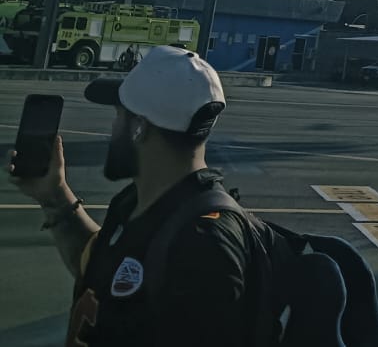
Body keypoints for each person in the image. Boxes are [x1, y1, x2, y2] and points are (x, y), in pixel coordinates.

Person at [7, 45, 253, 345]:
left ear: (139, 128)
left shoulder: (206, 246)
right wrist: (55, 196)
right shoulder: (135, 203)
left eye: (118, 114)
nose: (113, 126)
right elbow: (107, 273)